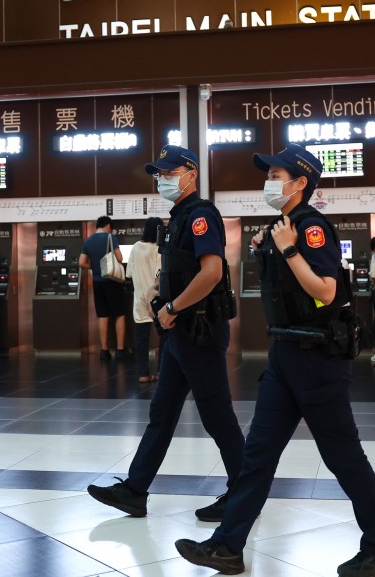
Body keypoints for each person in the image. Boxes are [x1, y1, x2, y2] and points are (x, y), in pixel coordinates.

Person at [175, 143, 375, 577]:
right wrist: (276, 245)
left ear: (300, 183)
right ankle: (227, 546)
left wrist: (291, 251)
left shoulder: (310, 228)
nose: (268, 182)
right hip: (284, 355)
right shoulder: (284, 224)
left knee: (343, 457)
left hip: (317, 359)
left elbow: (327, 292)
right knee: (258, 454)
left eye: (276, 176)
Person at [87, 144, 244, 523]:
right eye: (159, 174)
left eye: (169, 173)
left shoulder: (201, 215)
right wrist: (163, 297)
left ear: (190, 174)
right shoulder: (176, 219)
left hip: (199, 330)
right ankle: (135, 490)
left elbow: (212, 272)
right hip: (178, 333)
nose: (162, 180)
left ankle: (244, 493)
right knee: (161, 413)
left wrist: (173, 308)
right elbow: (183, 271)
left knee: (217, 417)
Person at [79, 216, 127, 360]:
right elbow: (119, 258)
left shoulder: (88, 240)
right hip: (112, 280)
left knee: (103, 315)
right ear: (108, 226)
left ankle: (104, 351)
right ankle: (120, 350)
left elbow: (81, 263)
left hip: (97, 281)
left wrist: (94, 267)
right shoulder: (111, 238)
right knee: (119, 314)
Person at [126, 216, 163, 383]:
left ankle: (143, 374)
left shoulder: (134, 247)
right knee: (164, 338)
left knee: (141, 340)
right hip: (156, 299)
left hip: (139, 300)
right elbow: (159, 274)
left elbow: (129, 273)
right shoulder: (158, 248)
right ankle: (162, 371)